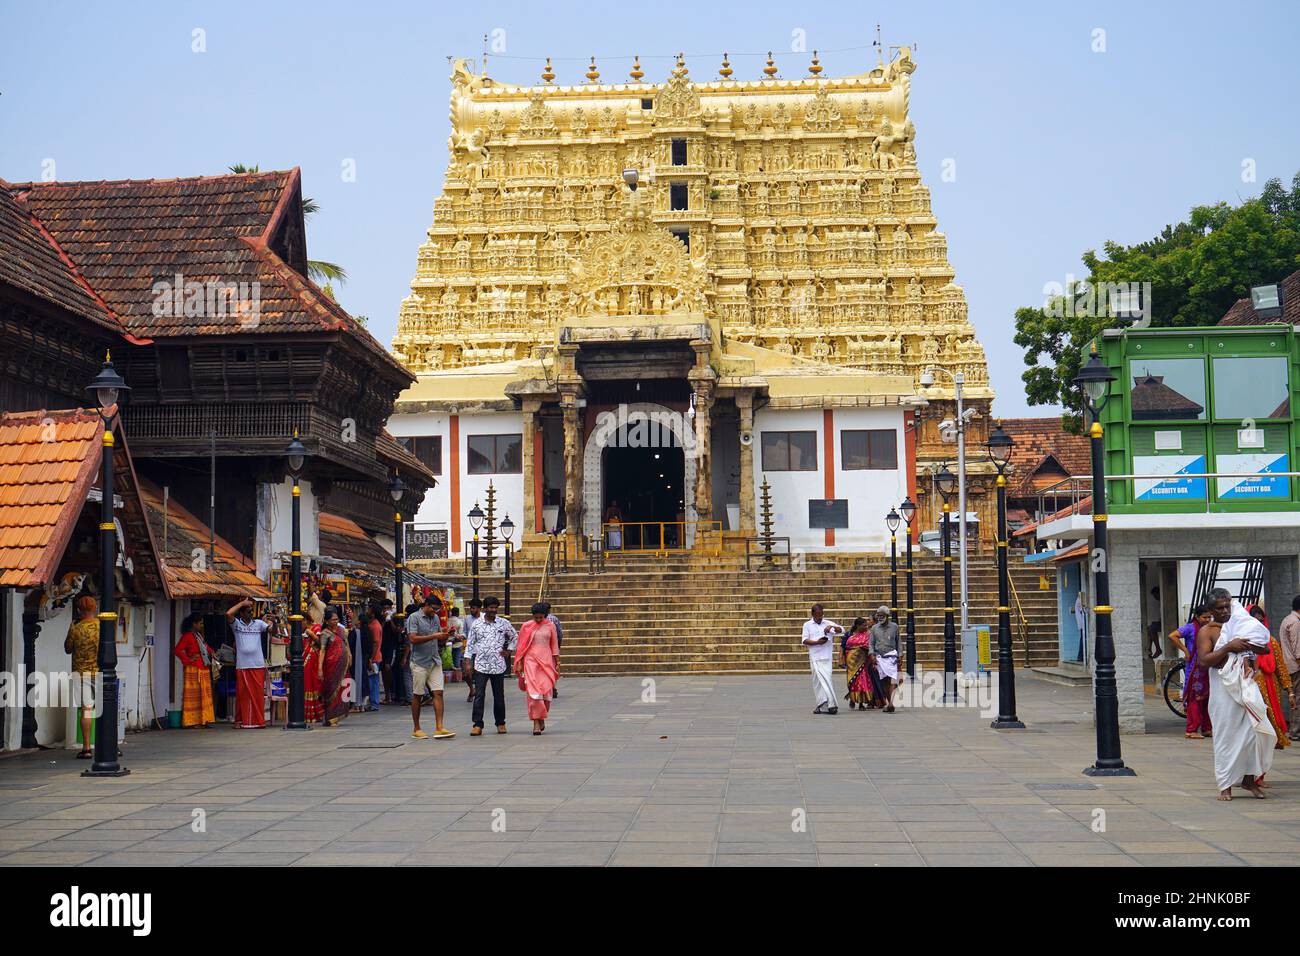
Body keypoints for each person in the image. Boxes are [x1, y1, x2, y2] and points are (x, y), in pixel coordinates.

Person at [1198, 589, 1274, 800]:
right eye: (1219, 608)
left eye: (1227, 606)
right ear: (1211, 610)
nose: (1224, 611)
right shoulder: (1208, 631)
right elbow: (1203, 662)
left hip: (1245, 685)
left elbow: (1265, 649)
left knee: (1254, 733)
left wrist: (1248, 644)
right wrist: (1230, 647)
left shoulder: (1241, 624)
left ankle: (1249, 781)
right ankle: (1225, 785)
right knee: (1226, 736)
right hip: (1223, 687)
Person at [465, 595, 517, 735]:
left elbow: (514, 636)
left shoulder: (503, 623)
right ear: (485, 608)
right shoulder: (477, 624)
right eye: (490, 608)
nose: (493, 610)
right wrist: (468, 661)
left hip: (498, 665)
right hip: (481, 665)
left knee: (499, 696)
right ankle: (477, 724)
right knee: (479, 695)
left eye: (495, 608)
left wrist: (509, 650)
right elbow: (470, 643)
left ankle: (500, 723)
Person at [407, 596, 454, 739]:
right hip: (419, 661)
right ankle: (416, 728)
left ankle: (439, 727)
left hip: (434, 660)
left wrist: (446, 635)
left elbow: (439, 639)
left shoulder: (436, 618)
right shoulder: (414, 618)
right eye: (433, 609)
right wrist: (434, 636)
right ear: (426, 605)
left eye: (437, 609)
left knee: (438, 692)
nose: (435, 612)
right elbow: (413, 639)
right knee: (418, 695)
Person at [1247, 604, 1291, 751]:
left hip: (1271, 683)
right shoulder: (1242, 641)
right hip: (1251, 683)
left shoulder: (1271, 641)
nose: (1258, 625)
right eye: (1254, 621)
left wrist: (1289, 689)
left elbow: (1280, 666)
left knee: (1271, 711)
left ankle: (1274, 739)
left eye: (1260, 622)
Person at [227, 598, 274, 729]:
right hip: (242, 665)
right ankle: (241, 720)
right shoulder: (236, 624)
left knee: (257, 695)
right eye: (248, 612)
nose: (251, 614)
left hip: (257, 664)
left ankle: (258, 721)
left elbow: (271, 630)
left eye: (251, 611)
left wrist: (273, 622)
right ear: (241, 613)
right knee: (242, 694)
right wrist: (241, 603)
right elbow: (228, 614)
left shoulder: (259, 623)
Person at [515, 602, 560, 735]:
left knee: (546, 692)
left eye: (541, 617)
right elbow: (521, 646)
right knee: (534, 693)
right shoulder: (526, 626)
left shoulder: (550, 625)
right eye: (536, 617)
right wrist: (519, 662)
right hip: (531, 661)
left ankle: (541, 716)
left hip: (547, 661)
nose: (539, 620)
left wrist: (557, 661)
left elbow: (554, 645)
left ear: (545, 615)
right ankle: (535, 722)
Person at [1170, 605, 1214, 739]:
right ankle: (1191, 729)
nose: (1207, 620)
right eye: (1204, 617)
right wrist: (1185, 650)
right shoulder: (1190, 627)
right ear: (1197, 617)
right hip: (1195, 669)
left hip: (1207, 667)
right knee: (1195, 698)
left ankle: (1207, 728)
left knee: (1208, 698)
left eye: (1209, 617)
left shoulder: (1210, 628)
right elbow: (1173, 636)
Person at [64, 595, 100, 757]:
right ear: (95, 609)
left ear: (79, 610)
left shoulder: (75, 627)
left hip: (81, 674)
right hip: (100, 672)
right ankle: (109, 744)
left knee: (87, 709)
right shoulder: (102, 626)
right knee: (105, 710)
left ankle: (86, 748)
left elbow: (67, 648)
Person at [174, 612, 217, 728]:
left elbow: (206, 647)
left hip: (203, 668)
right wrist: (188, 659)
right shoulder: (187, 636)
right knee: (195, 697)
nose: (202, 626)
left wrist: (213, 653)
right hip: (193, 670)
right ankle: (193, 721)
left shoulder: (199, 636)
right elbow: (177, 650)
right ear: (194, 624)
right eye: (200, 623)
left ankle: (204, 719)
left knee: (205, 696)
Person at [802, 603, 842, 715]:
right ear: (812, 614)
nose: (820, 617)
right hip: (815, 657)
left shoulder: (828, 623)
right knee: (818, 682)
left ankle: (831, 704)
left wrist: (832, 627)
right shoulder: (807, 625)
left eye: (821, 614)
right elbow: (804, 640)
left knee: (827, 680)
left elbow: (842, 630)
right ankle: (822, 704)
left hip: (827, 656)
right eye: (817, 615)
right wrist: (817, 642)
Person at [316, 608, 353, 726]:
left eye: (337, 619)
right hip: (331, 666)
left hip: (343, 665)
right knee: (331, 689)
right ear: (327, 621)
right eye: (333, 620)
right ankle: (330, 717)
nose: (335, 622)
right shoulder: (325, 634)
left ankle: (338, 714)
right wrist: (320, 668)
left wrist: (349, 656)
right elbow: (322, 651)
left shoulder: (342, 631)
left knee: (343, 688)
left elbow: (346, 644)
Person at [841, 617, 881, 710]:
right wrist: (842, 659)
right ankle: (853, 698)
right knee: (853, 682)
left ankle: (861, 703)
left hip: (863, 662)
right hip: (851, 662)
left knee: (863, 682)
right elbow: (844, 648)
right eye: (864, 625)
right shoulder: (850, 635)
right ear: (858, 626)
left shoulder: (868, 635)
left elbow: (870, 646)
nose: (866, 626)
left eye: (866, 625)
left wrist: (863, 648)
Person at [870, 605, 901, 712]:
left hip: (892, 656)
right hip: (880, 658)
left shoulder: (895, 627)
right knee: (884, 681)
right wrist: (872, 655)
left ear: (887, 616)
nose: (879, 617)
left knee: (892, 679)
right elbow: (871, 644)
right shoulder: (874, 628)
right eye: (878, 615)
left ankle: (891, 703)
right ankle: (889, 703)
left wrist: (900, 655)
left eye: (882, 615)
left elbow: (898, 642)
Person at [1279, 595, 1300, 740]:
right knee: (1298, 699)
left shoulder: (1287, 619)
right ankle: (1296, 731)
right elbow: (1297, 648)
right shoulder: (1296, 623)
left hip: (1288, 664)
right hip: (1296, 666)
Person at [302, 619, 324, 723]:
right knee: (306, 684)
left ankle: (315, 713)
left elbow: (320, 643)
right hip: (307, 660)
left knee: (312, 684)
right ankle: (307, 713)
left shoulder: (316, 628)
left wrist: (311, 634)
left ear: (305, 621)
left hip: (313, 660)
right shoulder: (305, 630)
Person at [463, 598, 482, 702]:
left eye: (473, 608)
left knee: (479, 674)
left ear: (479, 608)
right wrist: (461, 636)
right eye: (470, 608)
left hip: (481, 650)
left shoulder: (484, 618)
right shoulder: (467, 619)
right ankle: (472, 689)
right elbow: (464, 632)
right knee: (466, 673)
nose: (471, 610)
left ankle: (478, 692)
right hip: (470, 650)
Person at [543, 602, 562, 699]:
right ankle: (552, 687)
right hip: (551, 647)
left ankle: (548, 688)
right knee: (552, 668)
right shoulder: (554, 619)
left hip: (542, 649)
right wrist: (558, 645)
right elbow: (559, 633)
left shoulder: (536, 621)